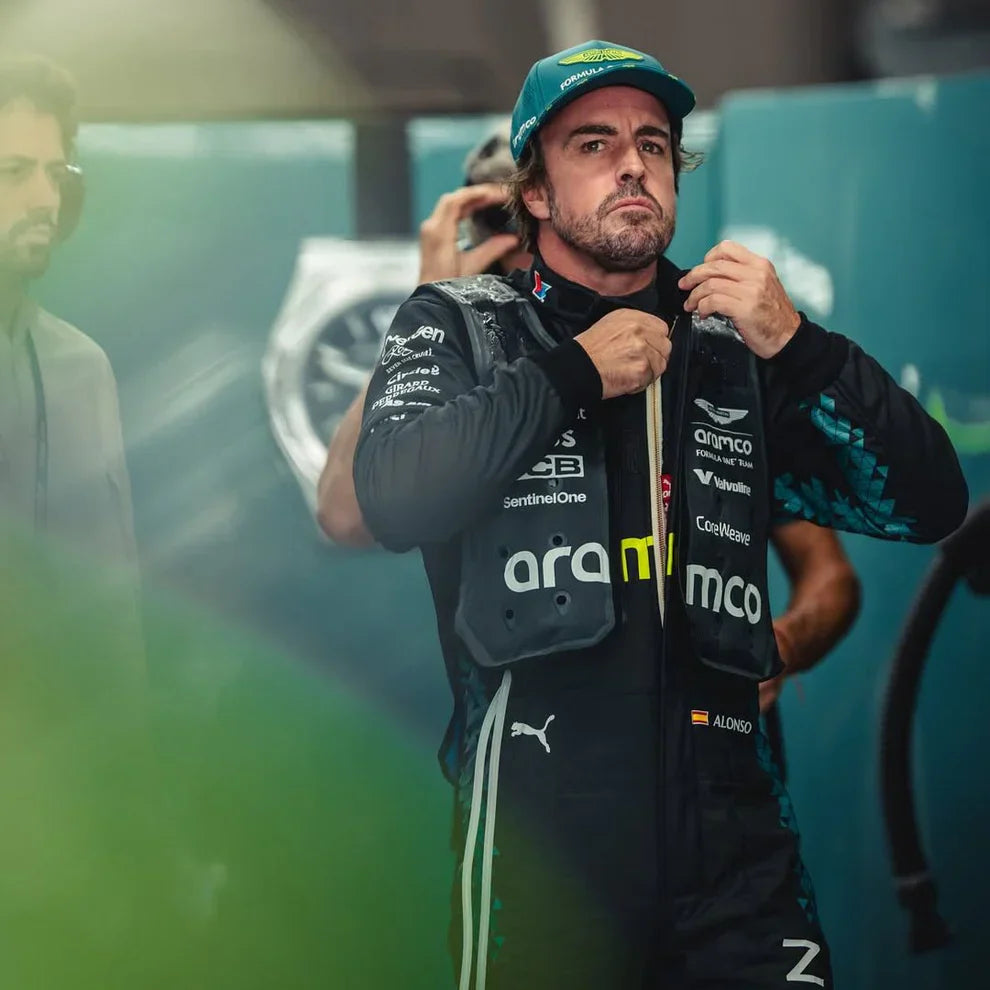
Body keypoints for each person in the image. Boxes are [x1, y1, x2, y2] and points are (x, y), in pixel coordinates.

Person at [352, 40, 968, 988]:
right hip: (542, 849)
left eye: (654, 143)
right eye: (593, 144)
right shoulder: (461, 323)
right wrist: (573, 373)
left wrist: (802, 347)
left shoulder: (733, 347)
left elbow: (931, 501)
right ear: (539, 193)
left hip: (739, 850)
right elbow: (390, 495)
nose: (634, 162)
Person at [317, 122, 861, 715]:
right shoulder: (467, 362)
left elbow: (830, 576)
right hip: (544, 759)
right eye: (500, 220)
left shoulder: (704, 360)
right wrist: (425, 316)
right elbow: (347, 515)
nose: (524, 241)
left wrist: (777, 645)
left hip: (718, 758)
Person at [0, 55, 138, 582]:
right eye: (14, 172)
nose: (45, 199)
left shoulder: (81, 370)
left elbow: (111, 608)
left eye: (55, 175)